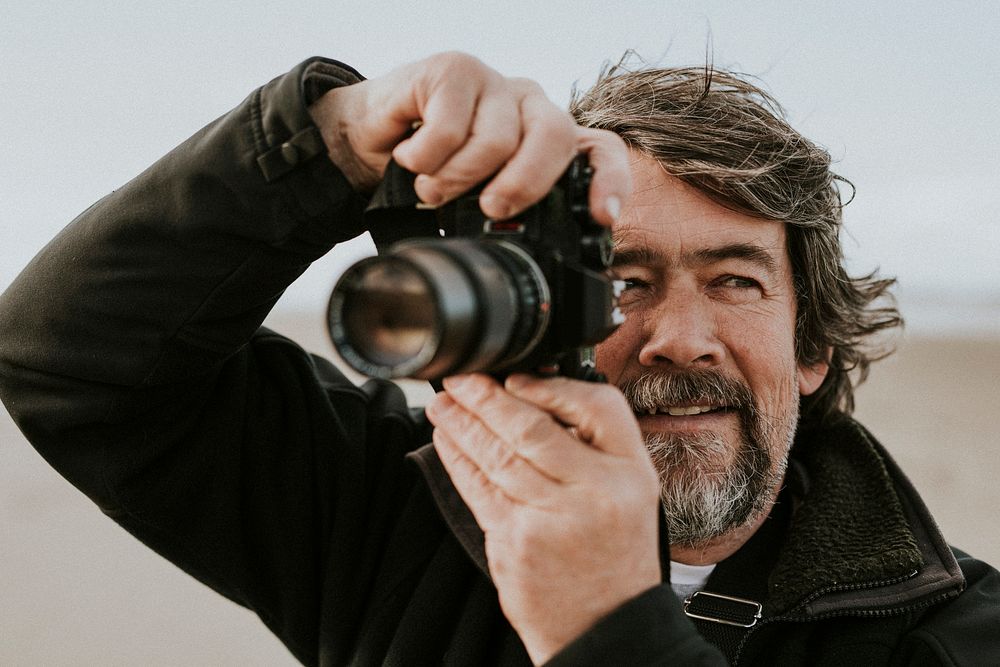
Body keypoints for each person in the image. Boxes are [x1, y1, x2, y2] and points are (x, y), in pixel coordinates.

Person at [0, 51, 997, 665]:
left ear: (813, 346)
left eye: (735, 280)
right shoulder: (399, 520)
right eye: (622, 279)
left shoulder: (952, 630)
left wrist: (603, 624)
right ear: (541, 312)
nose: (681, 337)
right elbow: (68, 358)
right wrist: (340, 142)